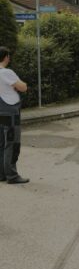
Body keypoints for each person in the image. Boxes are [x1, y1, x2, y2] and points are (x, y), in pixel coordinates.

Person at [0, 46, 29, 184]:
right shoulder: (6, 72)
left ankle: (1, 174)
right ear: (6, 57)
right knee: (12, 144)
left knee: (1, 143)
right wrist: (18, 85)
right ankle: (12, 175)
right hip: (10, 112)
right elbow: (23, 87)